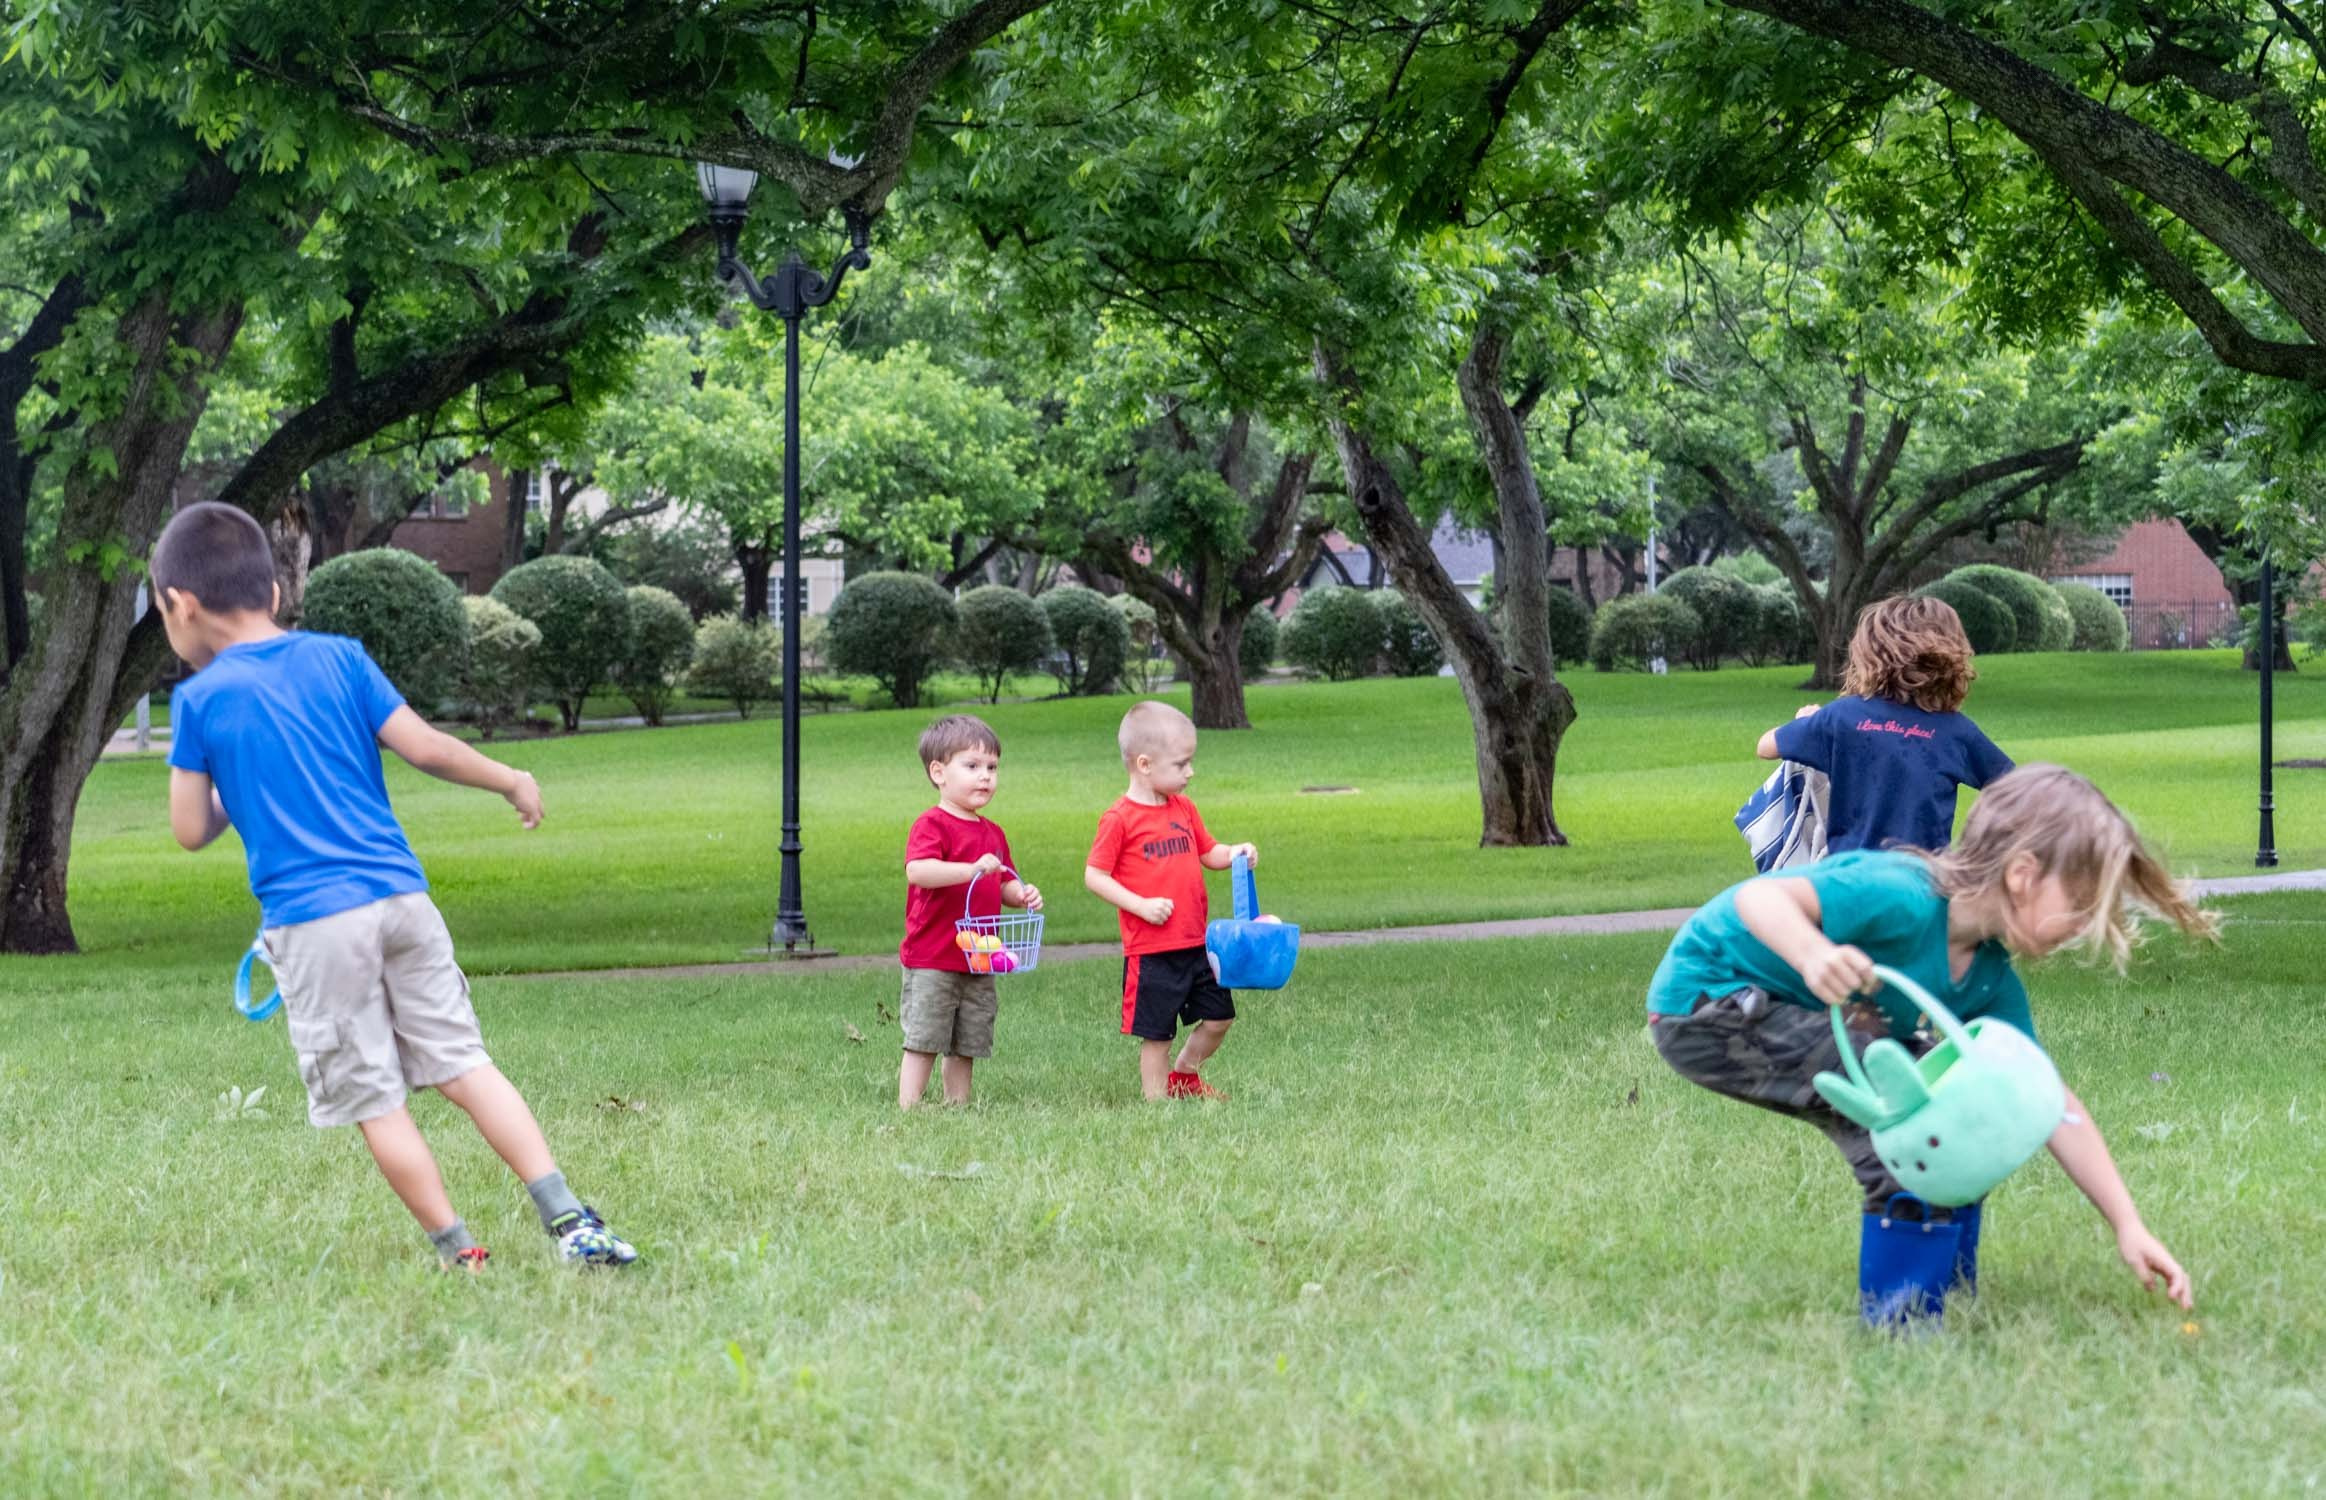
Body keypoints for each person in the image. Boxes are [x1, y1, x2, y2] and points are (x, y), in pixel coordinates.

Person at [154, 502, 635, 1272]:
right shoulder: (341, 658)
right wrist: (511, 777)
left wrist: (226, 781)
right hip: (403, 899)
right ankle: (571, 1220)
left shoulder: (202, 702)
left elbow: (189, 828)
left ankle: (461, 1252)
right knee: (465, 1064)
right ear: (275, 593)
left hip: (315, 926)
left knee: (376, 1100)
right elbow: (426, 747)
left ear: (178, 606)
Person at [1648, 763, 2215, 1324]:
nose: (2085, 923)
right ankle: (1906, 1323)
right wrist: (1811, 954)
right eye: (2081, 901)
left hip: (1779, 1012)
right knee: (1911, 1120)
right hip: (1708, 1006)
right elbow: (1760, 899)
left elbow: (2046, 1098)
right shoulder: (1900, 894)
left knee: (1972, 1100)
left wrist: (2127, 1223)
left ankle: (1948, 1281)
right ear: (2022, 874)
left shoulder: (1986, 974)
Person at [1085, 701, 1258, 1101]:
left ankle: (1184, 1076)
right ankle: (1156, 1102)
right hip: (1152, 950)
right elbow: (1094, 875)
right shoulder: (1119, 819)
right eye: (1181, 764)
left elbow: (1209, 852)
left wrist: (1236, 853)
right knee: (1156, 1034)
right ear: (1144, 764)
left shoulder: (1183, 808)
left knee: (1219, 1017)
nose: (1190, 772)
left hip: (1197, 943)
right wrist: (1140, 905)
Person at [1756, 594, 2012, 853]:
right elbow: (2018, 788)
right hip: (1921, 882)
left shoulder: (1841, 717)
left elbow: (1765, 746)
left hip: (1850, 880)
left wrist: (1806, 723)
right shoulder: (1956, 731)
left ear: (1869, 651)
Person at [898, 714, 1042, 1108]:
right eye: (973, 766)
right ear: (939, 772)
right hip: (933, 956)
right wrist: (970, 869)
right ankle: (909, 1106)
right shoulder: (932, 824)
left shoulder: (992, 833)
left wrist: (1021, 894)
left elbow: (1003, 882)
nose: (985, 777)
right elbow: (919, 871)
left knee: (968, 1039)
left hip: (980, 956)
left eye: (992, 768)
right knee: (925, 1037)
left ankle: (956, 1105)